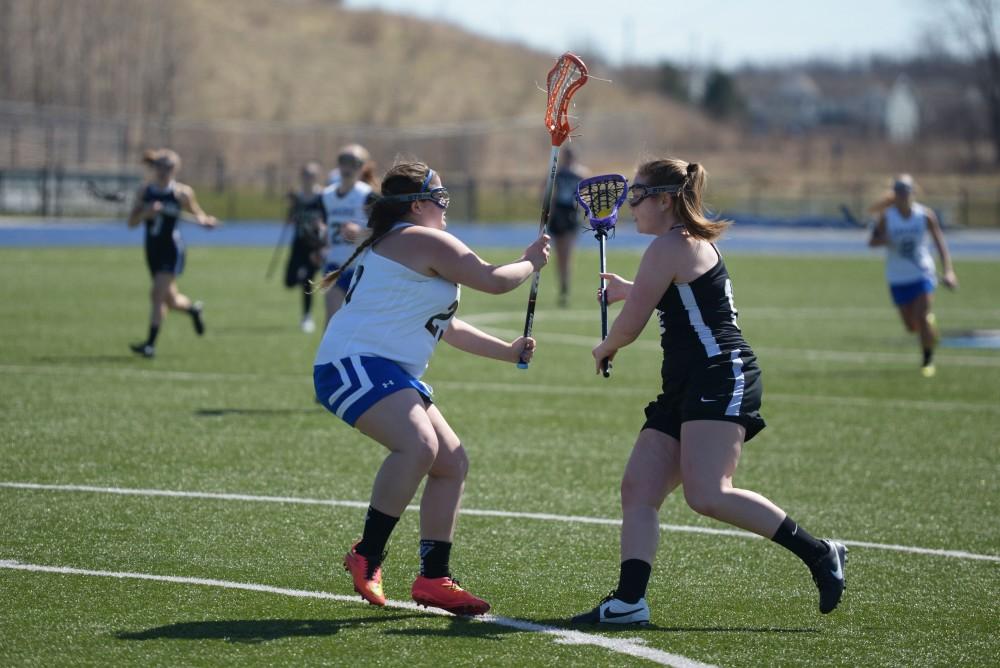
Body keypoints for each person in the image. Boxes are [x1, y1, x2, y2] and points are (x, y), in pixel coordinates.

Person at [570, 158, 847, 626]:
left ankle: (820, 553)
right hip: (687, 381)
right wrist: (630, 289)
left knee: (708, 493)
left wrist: (605, 346)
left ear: (664, 199)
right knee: (639, 488)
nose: (629, 204)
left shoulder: (669, 246)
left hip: (720, 373)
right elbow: (677, 294)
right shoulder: (677, 247)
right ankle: (629, 601)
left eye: (636, 195)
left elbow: (632, 324)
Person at [313, 161, 549, 615]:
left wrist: (506, 350)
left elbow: (446, 325)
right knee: (418, 446)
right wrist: (530, 261)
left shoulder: (405, 244)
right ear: (417, 205)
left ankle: (434, 577)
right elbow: (494, 281)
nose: (445, 207)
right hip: (353, 363)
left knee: (450, 463)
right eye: (439, 198)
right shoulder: (421, 239)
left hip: (388, 370)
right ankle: (368, 554)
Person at [127, 149, 217, 358]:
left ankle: (150, 345)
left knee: (156, 295)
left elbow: (198, 215)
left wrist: (206, 222)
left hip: (171, 250)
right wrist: (146, 213)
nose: (163, 171)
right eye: (160, 166)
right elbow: (131, 223)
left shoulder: (182, 193)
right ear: (155, 167)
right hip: (152, 250)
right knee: (171, 300)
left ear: (175, 169)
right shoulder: (145, 191)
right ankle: (194, 311)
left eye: (168, 167)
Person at [868, 174, 958, 377]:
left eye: (907, 192)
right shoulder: (887, 217)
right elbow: (872, 242)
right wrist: (885, 240)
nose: (903, 196)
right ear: (895, 194)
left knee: (921, 317)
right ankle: (927, 325)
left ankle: (927, 360)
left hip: (922, 274)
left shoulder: (925, 216)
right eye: (899, 192)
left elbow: (940, 244)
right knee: (911, 326)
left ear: (913, 193)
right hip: (897, 277)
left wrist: (949, 271)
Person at [320, 144, 378, 327]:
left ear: (363, 167)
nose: (347, 167)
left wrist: (361, 234)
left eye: (354, 162)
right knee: (332, 324)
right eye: (343, 161)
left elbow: (384, 234)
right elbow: (319, 225)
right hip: (335, 266)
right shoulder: (327, 195)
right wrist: (319, 244)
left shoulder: (368, 196)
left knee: (360, 326)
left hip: (362, 269)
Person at [284, 162, 327, 333]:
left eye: (312, 175)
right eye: (306, 175)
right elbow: (289, 221)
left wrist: (321, 228)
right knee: (289, 281)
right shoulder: (298, 197)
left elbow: (327, 220)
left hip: (315, 245)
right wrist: (291, 206)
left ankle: (307, 317)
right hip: (299, 243)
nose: (308, 178)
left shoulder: (322, 197)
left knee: (308, 280)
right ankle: (302, 278)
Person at [547, 147, 588, 307]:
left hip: (570, 215)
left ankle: (565, 285)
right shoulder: (558, 173)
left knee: (566, 253)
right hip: (559, 215)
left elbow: (585, 195)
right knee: (560, 254)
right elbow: (548, 192)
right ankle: (563, 284)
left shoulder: (579, 174)